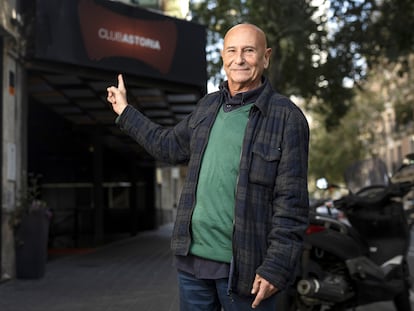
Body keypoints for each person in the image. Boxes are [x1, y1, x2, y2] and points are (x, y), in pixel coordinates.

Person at [107, 23, 309, 311]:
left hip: (248, 270)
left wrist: (276, 266)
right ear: (223, 57)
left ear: (265, 57)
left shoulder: (287, 118)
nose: (239, 59)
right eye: (232, 51)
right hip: (192, 267)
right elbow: (166, 145)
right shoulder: (207, 107)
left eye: (249, 51)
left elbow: (292, 203)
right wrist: (126, 112)